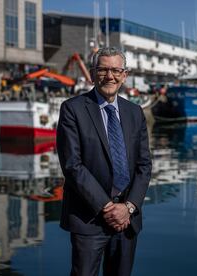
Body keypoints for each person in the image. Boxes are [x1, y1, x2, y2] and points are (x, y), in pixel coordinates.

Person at [56, 47, 152, 276]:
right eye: (103, 69)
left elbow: (144, 165)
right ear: (92, 73)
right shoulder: (72, 109)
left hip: (127, 220)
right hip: (89, 218)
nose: (110, 76)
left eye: (116, 70)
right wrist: (108, 208)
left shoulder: (135, 112)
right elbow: (72, 165)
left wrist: (128, 207)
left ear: (125, 75)